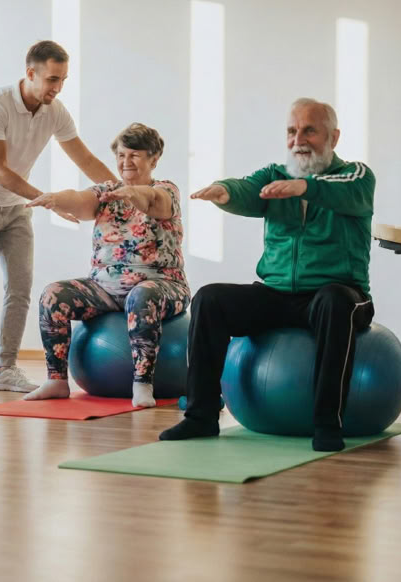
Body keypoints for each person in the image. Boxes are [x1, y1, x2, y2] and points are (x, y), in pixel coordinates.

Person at [159, 98, 375, 452]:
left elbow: (348, 194)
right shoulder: (275, 174)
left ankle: (326, 424)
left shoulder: (357, 175)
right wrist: (224, 191)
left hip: (340, 292)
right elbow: (247, 189)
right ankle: (200, 415)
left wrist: (304, 187)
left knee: (335, 301)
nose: (298, 139)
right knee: (210, 298)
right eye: (292, 131)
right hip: (278, 293)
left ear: (333, 137)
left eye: (309, 130)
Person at [0, 40, 116, 397]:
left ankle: (5, 368)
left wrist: (119, 191)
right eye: (52, 79)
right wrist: (49, 202)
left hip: (15, 207)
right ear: (30, 73)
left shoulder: (55, 111)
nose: (57, 89)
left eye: (63, 81)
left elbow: (85, 160)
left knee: (21, 287)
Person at [24, 123, 190, 407]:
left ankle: (142, 384)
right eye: (122, 155)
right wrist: (55, 199)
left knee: (142, 294)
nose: (126, 162)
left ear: (153, 159)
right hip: (105, 289)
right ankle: (56, 380)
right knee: (53, 294)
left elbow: (154, 202)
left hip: (162, 286)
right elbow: (79, 201)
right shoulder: (107, 192)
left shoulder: (166, 190)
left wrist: (133, 194)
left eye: (135, 155)